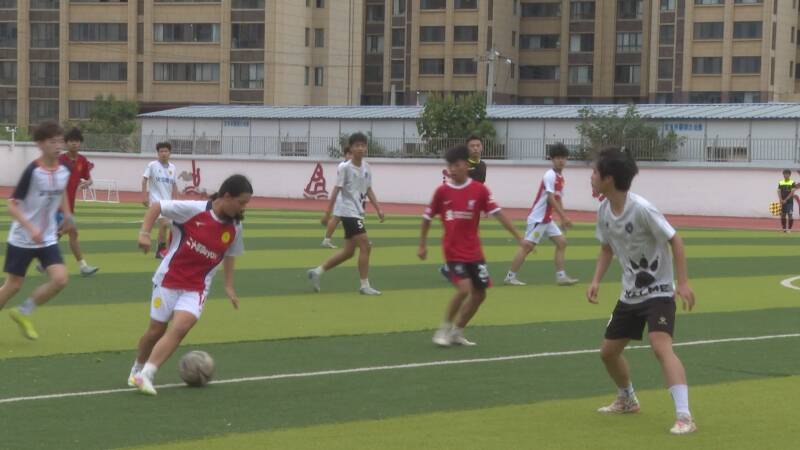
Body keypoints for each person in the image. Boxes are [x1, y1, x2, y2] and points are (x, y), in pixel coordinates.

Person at [587, 147, 697, 435]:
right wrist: (595, 280)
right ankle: (627, 399)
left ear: (609, 179)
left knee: (660, 346)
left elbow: (676, 240)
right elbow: (606, 248)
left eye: (595, 172)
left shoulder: (642, 209)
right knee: (608, 353)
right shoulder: (603, 211)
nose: (591, 177)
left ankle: (684, 416)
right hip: (630, 295)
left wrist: (682, 283)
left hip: (659, 291)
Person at [129, 174, 252, 396]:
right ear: (227, 196)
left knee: (181, 328)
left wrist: (229, 285)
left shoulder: (235, 227)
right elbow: (157, 207)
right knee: (156, 331)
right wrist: (144, 233)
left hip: (197, 287)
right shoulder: (194, 209)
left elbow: (230, 253)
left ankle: (146, 374)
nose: (244, 208)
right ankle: (137, 368)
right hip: (169, 278)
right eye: (241, 202)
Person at [419, 144, 528, 347]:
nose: (453, 169)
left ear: (466, 165)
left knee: (480, 294)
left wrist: (519, 237)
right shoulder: (442, 192)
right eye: (450, 166)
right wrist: (422, 245)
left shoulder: (479, 190)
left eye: (457, 165)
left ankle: (456, 332)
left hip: (474, 251)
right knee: (463, 289)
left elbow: (498, 214)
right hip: (452, 250)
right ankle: (443, 329)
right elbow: (426, 218)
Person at [0, 121, 74, 340]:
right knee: (13, 286)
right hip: (22, 238)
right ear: (40, 144)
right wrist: (31, 228)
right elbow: (12, 205)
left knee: (60, 279)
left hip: (48, 238)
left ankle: (23, 312)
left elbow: (61, 192)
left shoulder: (65, 169)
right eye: (52, 142)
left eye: (60, 141)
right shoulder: (32, 171)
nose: (58, 146)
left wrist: (68, 216)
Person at [307, 132, 385, 295]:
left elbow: (368, 189)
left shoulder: (367, 167)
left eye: (363, 145)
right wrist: (328, 212)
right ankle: (364, 285)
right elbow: (336, 189)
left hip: (358, 211)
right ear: (351, 148)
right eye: (357, 145)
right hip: (348, 211)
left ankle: (317, 272)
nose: (360, 148)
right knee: (366, 245)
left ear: (366, 147)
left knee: (348, 252)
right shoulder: (345, 167)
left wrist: (378, 208)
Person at [505, 143, 579, 286]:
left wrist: (562, 218)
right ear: (552, 159)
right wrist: (564, 217)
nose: (561, 160)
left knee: (562, 242)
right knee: (527, 247)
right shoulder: (549, 175)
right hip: (538, 219)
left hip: (546, 219)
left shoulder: (560, 177)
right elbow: (551, 198)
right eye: (557, 157)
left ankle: (561, 276)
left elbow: (558, 198)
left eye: (563, 157)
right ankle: (510, 277)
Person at [438, 135, 488, 281]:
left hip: (473, 209)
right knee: (459, 236)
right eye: (472, 146)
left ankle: (460, 266)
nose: (475, 148)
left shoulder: (483, 165)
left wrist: (483, 206)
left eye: (478, 145)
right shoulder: (463, 165)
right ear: (467, 148)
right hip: (459, 207)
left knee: (471, 236)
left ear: (482, 147)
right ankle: (453, 266)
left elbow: (480, 187)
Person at [56, 127, 99, 276]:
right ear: (66, 143)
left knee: (62, 233)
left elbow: (89, 179)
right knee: (72, 232)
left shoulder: (82, 160)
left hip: (69, 204)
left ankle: (45, 259)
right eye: (71, 141)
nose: (74, 143)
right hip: (56, 204)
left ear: (80, 143)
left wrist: (87, 183)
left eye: (77, 141)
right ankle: (83, 266)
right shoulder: (60, 160)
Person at [142, 142, 178, 259]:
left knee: (168, 226)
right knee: (164, 223)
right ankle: (162, 250)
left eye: (166, 151)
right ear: (157, 153)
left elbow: (174, 185)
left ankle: (161, 250)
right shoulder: (152, 165)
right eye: (161, 151)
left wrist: (176, 200)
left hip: (168, 202)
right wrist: (144, 196)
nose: (163, 153)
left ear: (170, 153)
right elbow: (144, 180)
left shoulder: (173, 167)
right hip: (156, 202)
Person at [321, 145, 353, 249]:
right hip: (342, 197)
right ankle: (327, 240)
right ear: (345, 155)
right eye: (349, 154)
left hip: (349, 197)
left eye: (352, 154)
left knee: (350, 219)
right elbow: (340, 184)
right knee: (336, 218)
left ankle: (355, 239)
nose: (351, 156)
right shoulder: (343, 166)